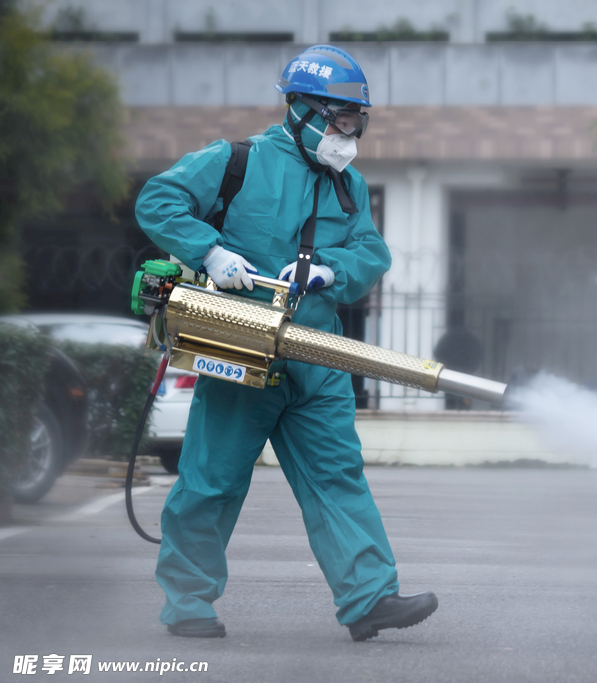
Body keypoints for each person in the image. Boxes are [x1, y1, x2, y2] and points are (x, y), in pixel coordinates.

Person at [135, 45, 437, 642]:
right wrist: (211, 252)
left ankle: (369, 599)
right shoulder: (235, 161)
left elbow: (371, 252)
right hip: (240, 348)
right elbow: (157, 201)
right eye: (341, 117)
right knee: (212, 480)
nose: (349, 133)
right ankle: (188, 604)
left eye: (357, 120)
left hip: (317, 357)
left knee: (338, 478)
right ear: (301, 109)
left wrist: (329, 269)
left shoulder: (349, 184)